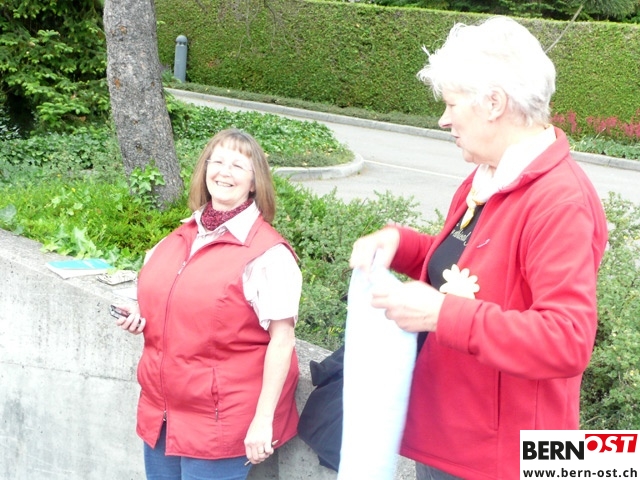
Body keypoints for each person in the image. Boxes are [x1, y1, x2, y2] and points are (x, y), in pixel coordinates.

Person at [349, 16, 608, 480]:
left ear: (494, 103)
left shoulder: (560, 201)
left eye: (451, 104)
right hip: (454, 443)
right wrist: (401, 244)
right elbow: (472, 267)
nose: (444, 119)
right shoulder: (489, 174)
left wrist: (441, 315)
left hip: (503, 461)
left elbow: (567, 340)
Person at [114, 128, 302, 480]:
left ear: (254, 182)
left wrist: (263, 421)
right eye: (217, 161)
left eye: (238, 165)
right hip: (163, 414)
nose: (224, 172)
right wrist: (142, 313)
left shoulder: (269, 255)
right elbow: (177, 300)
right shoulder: (181, 235)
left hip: (222, 422)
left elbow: (283, 340)